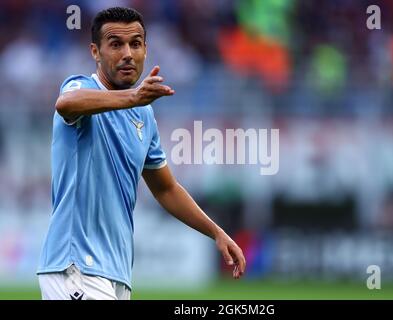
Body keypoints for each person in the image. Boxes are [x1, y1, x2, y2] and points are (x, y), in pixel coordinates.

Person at [37, 7, 246, 300]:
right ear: (95, 52)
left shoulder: (143, 116)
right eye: (115, 44)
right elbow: (65, 104)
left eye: (135, 44)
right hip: (76, 267)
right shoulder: (82, 87)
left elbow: (167, 188)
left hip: (116, 273)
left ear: (146, 50)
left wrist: (216, 231)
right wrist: (133, 97)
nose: (127, 53)